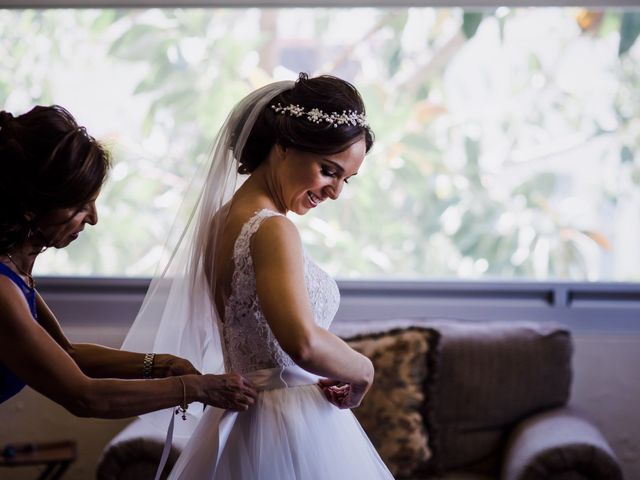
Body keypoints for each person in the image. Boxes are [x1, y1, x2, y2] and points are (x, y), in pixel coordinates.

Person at [123, 73, 394, 479]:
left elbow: (265, 341)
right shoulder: (273, 229)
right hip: (287, 427)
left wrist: (309, 373)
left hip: (249, 421)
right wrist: (363, 370)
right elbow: (301, 341)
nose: (335, 191)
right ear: (283, 147)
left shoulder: (222, 221)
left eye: (345, 180)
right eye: (328, 170)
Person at [0, 105, 257, 419]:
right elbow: (85, 397)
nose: (93, 219)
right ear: (31, 205)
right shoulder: (3, 290)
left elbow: (68, 354)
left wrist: (162, 364)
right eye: (80, 205)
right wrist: (198, 388)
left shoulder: (16, 273)